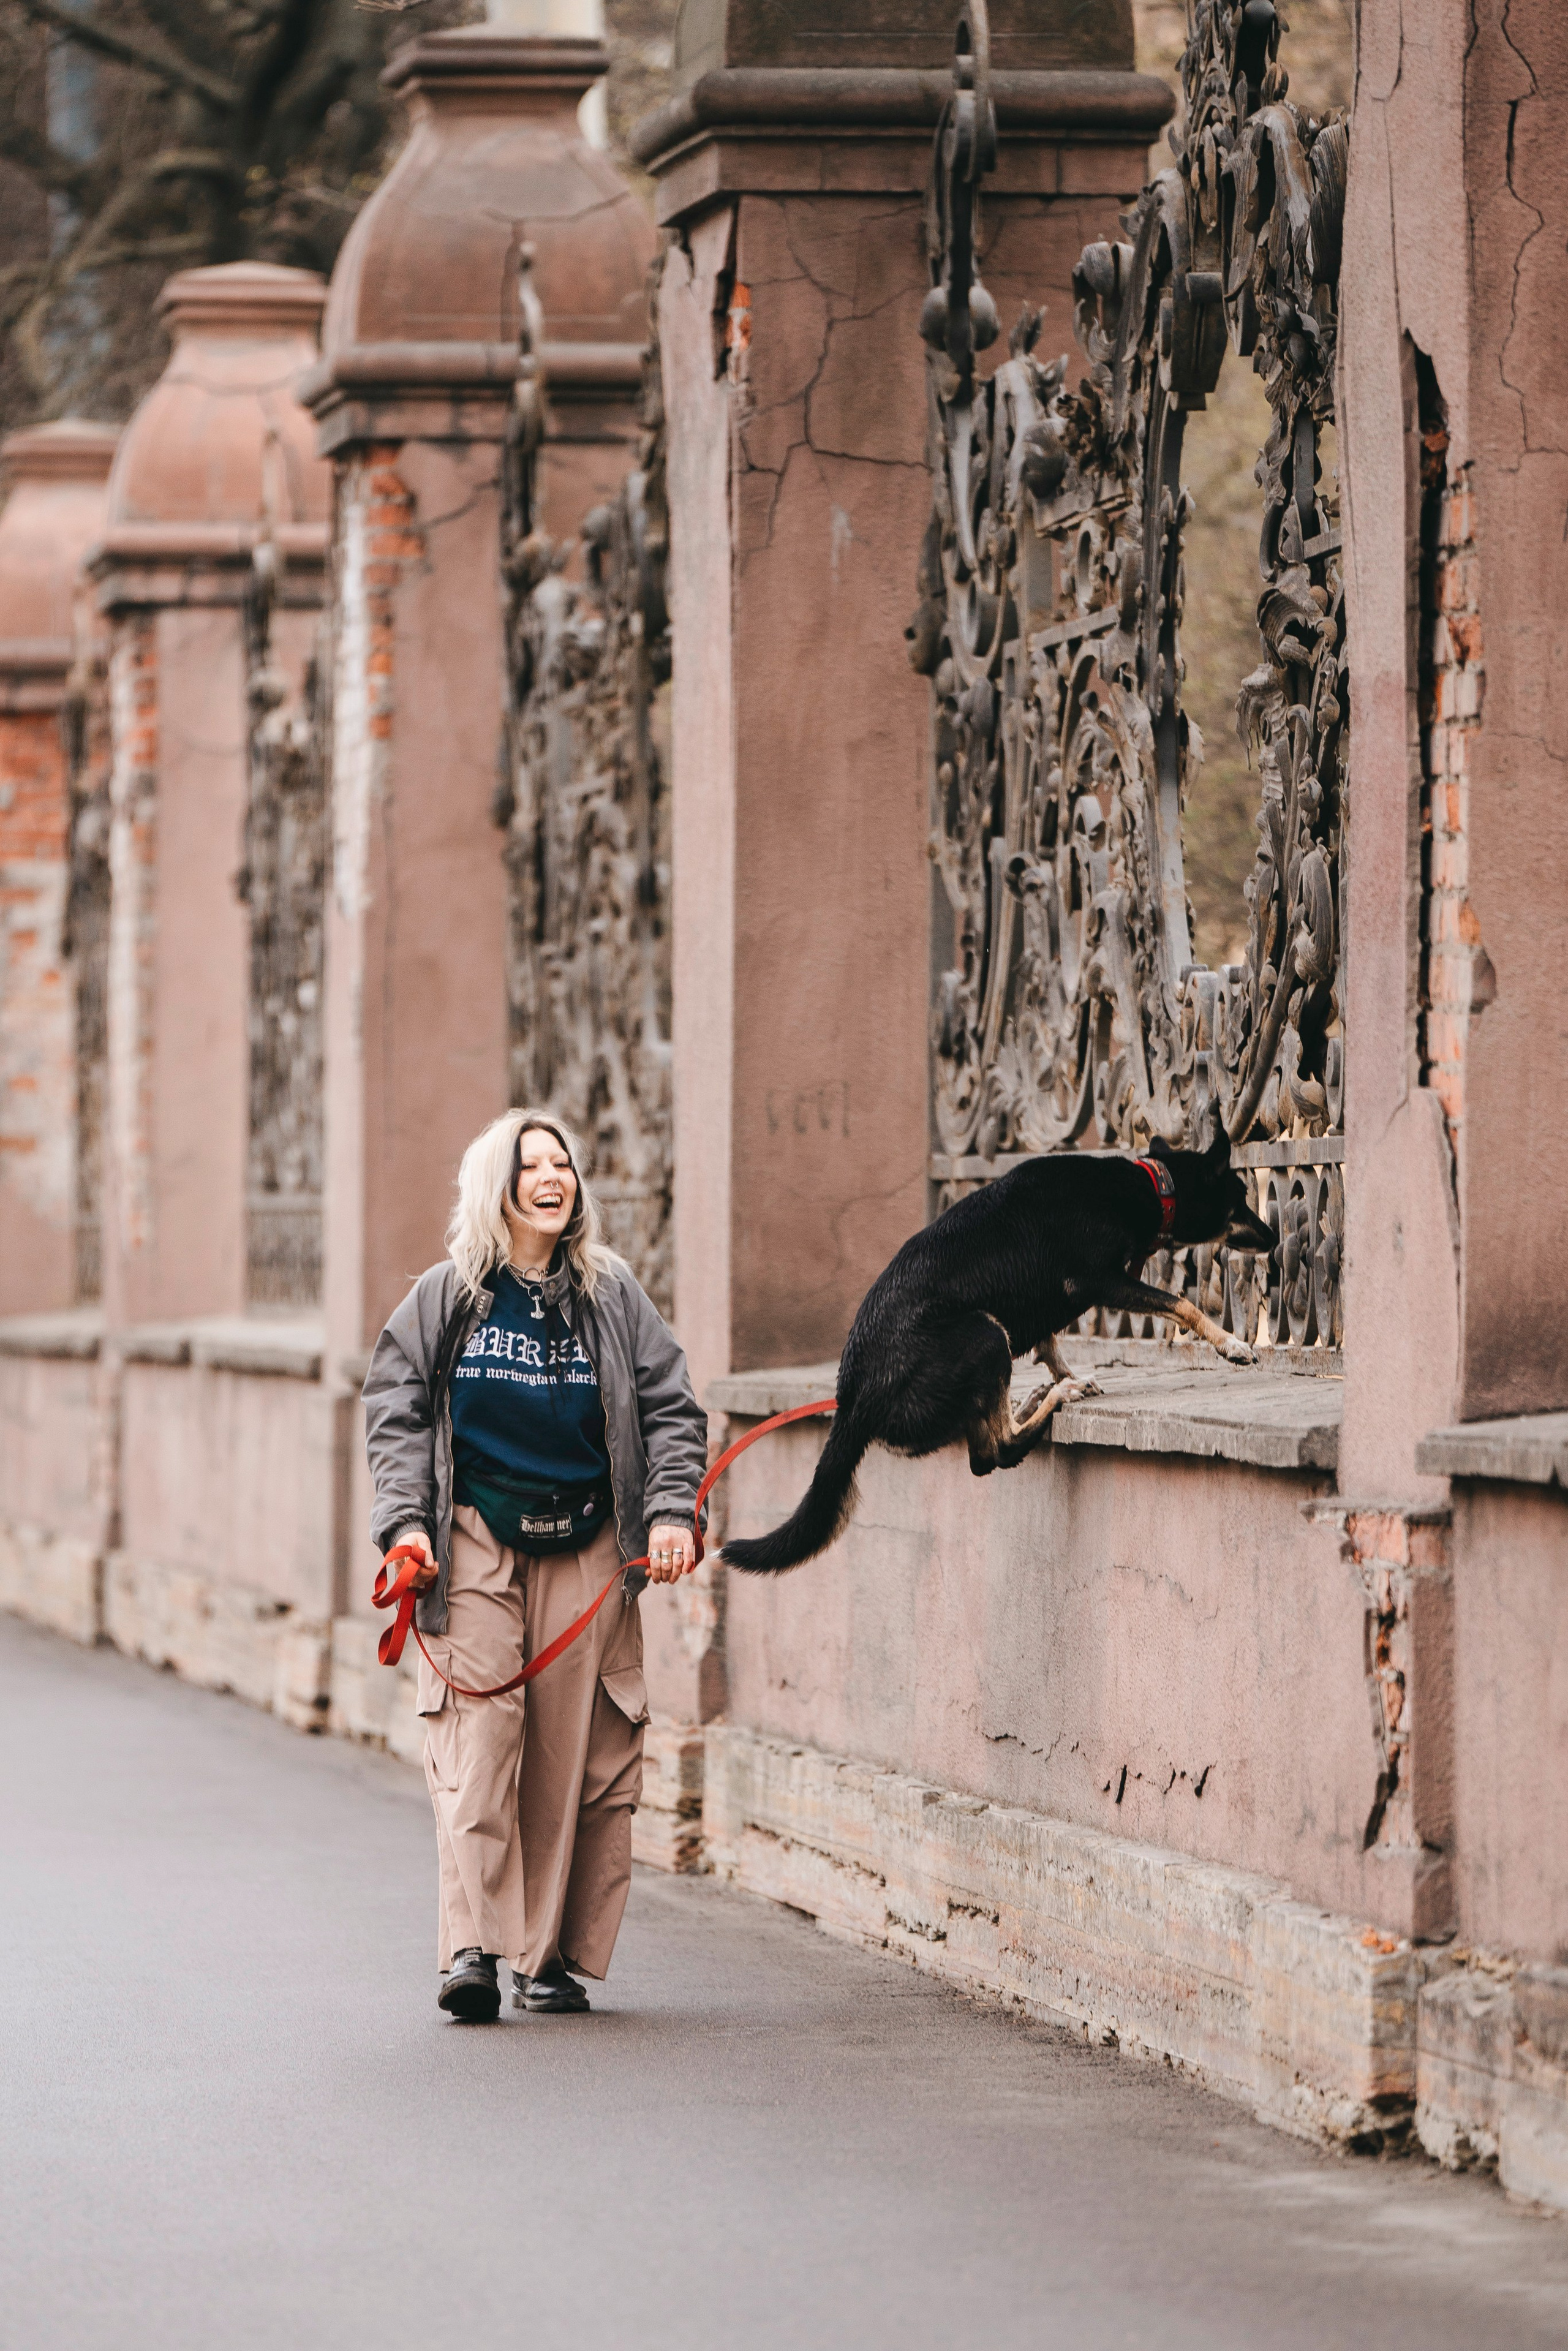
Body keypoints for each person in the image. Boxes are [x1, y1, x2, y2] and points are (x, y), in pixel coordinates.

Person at [363, 1108, 707, 2022]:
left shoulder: (613, 1295)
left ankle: (544, 1955)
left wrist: (673, 1512)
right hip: (475, 1530)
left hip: (590, 1535)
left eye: (564, 1162)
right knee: (482, 1733)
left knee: (573, 1749)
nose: (553, 1176)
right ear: (497, 1186)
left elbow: (674, 1407)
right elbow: (394, 1404)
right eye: (533, 1163)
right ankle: (471, 1946)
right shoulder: (449, 1295)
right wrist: (406, 1525)